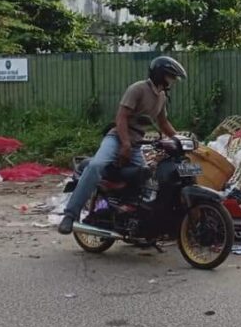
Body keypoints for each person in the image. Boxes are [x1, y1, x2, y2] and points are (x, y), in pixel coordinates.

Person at [57, 56, 187, 235]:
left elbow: (163, 122)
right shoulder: (138, 89)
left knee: (145, 176)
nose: (172, 81)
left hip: (136, 143)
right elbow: (121, 117)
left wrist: (180, 139)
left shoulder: (161, 96)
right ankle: (70, 215)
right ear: (159, 74)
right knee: (96, 166)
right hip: (117, 138)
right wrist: (125, 143)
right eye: (170, 76)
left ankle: (130, 217)